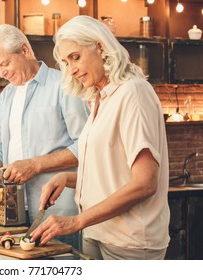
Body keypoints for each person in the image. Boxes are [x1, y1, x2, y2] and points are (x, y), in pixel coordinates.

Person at [31, 15, 170, 260]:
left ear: (101, 47)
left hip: (130, 242)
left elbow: (145, 182)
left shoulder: (133, 92)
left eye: (75, 57)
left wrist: (76, 221)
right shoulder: (99, 98)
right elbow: (112, 174)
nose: (71, 69)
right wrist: (67, 178)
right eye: (65, 62)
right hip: (97, 234)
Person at [0, 24, 90, 248]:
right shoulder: (6, 95)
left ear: (25, 50)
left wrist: (35, 165)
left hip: (58, 215)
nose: (2, 73)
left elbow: (86, 146)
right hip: (14, 214)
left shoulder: (65, 85)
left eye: (5, 63)